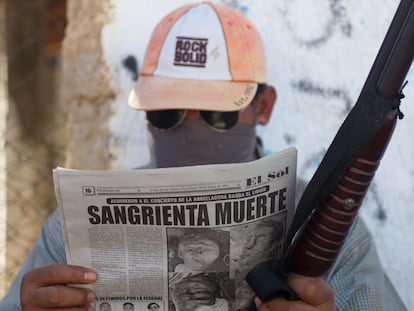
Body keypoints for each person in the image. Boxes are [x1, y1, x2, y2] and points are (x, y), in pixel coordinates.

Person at [0, 2, 407, 311]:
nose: (190, 130)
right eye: (167, 113)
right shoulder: (74, 228)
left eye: (217, 114)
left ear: (262, 107)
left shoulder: (329, 230)